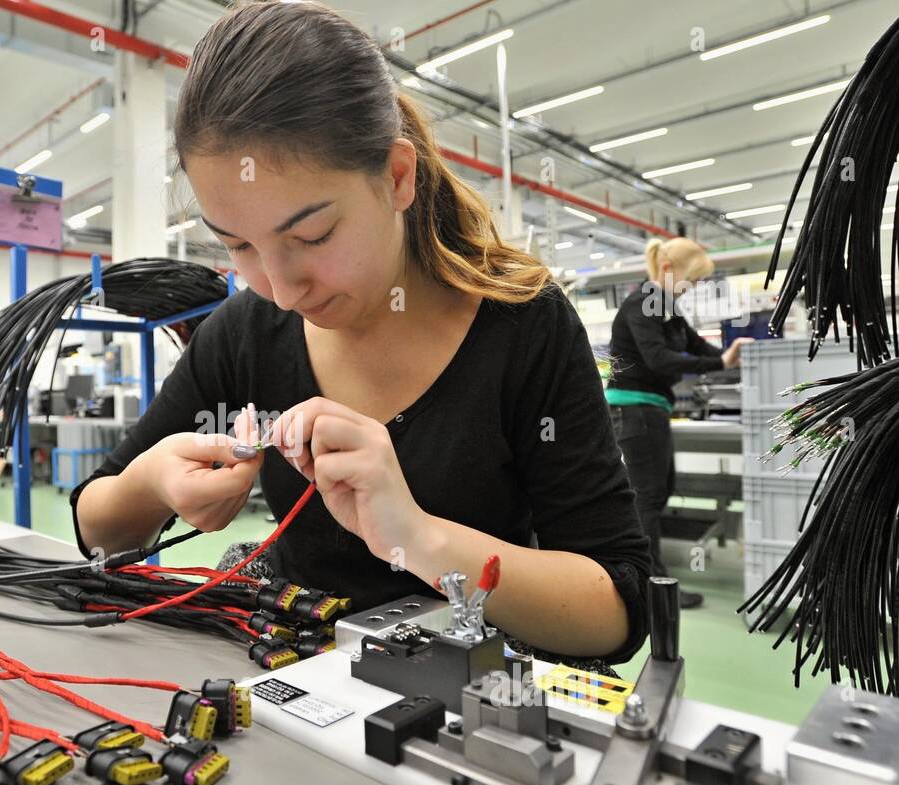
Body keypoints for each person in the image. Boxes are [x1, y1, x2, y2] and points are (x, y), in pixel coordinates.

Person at [69, 1, 652, 665]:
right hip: (292, 687)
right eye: (238, 246)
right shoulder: (246, 332)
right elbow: (96, 528)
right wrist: (150, 483)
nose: (283, 289)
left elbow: (616, 610)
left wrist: (418, 536)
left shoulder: (524, 327)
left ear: (397, 176)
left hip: (470, 708)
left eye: (311, 235)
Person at [605, 237, 754, 609]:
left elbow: (697, 346)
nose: (695, 288)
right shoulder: (643, 303)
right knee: (648, 497)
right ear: (669, 269)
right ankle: (653, 586)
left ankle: (648, 575)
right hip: (634, 408)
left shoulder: (667, 308)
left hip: (651, 408)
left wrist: (732, 354)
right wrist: (721, 364)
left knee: (658, 490)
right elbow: (659, 359)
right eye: (694, 279)